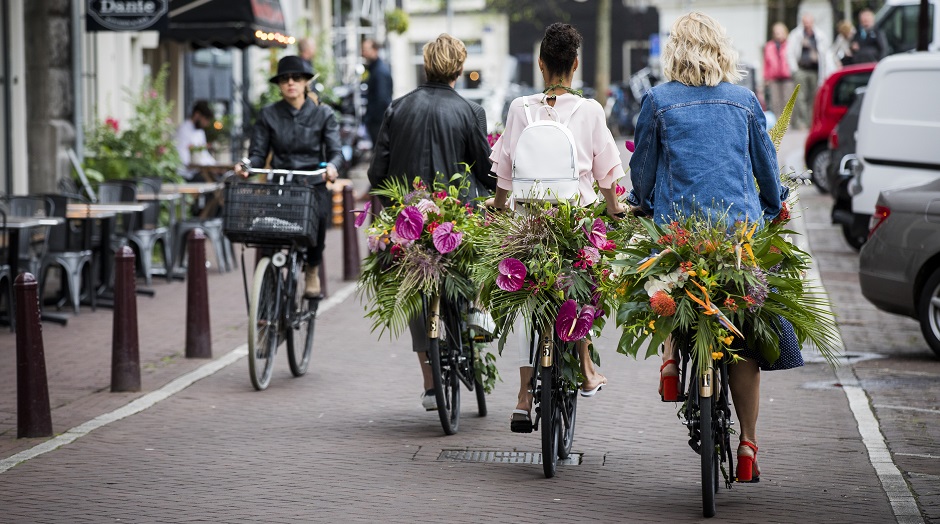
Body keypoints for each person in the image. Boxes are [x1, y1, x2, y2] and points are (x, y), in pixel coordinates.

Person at [630, 11, 801, 484]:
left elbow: (642, 170)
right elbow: (766, 170)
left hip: (680, 231)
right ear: (722, 50)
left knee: (666, 274)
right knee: (743, 334)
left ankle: (669, 359)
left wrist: (641, 203)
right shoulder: (745, 101)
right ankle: (747, 443)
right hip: (737, 238)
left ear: (675, 52)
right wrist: (773, 204)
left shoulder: (658, 100)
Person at [487, 22, 626, 432]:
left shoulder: (519, 108)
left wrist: (497, 211)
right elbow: (608, 180)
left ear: (542, 65)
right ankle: (585, 368)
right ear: (576, 65)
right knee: (584, 283)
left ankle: (523, 395)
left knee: (522, 298)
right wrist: (616, 211)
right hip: (574, 223)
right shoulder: (590, 111)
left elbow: (504, 177)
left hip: (528, 225)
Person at [367, 34, 494, 411]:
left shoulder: (397, 108)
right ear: (459, 67)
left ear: (425, 64)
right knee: (475, 263)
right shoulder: (470, 112)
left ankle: (429, 383)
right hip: (455, 220)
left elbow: (378, 173)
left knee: (415, 292)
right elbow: (487, 174)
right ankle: (476, 313)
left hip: (409, 220)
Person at [235, 55, 343, 298]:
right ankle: (268, 280)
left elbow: (336, 151)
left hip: (311, 183)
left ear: (306, 82)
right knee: (267, 230)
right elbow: (258, 154)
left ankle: (312, 269)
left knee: (320, 219)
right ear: (279, 85)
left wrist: (333, 166)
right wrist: (247, 165)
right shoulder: (268, 114)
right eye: (284, 79)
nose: (290, 83)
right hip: (280, 184)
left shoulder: (323, 114)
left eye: (296, 78)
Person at [786, 13, 830, 129]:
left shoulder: (819, 35)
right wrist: (794, 69)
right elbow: (789, 53)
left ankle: (811, 122)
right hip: (801, 69)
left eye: (809, 22)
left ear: (813, 22)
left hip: (815, 70)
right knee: (800, 96)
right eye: (805, 22)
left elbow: (825, 54)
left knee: (814, 97)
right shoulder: (796, 34)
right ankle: (803, 122)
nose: (807, 24)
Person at [361, 38, 393, 147]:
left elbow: (382, 99)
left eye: (366, 49)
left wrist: (371, 118)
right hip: (377, 121)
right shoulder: (375, 69)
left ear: (375, 50)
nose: (363, 53)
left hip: (378, 121)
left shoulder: (379, 71)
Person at [175, 100, 216, 181]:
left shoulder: (200, 131)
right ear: (197, 115)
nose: (206, 124)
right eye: (206, 119)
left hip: (195, 171)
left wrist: (214, 165)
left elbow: (204, 154)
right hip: (185, 174)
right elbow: (182, 157)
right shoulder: (184, 129)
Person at [763, 22, 793, 118]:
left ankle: (788, 122)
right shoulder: (769, 46)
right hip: (773, 77)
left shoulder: (790, 45)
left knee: (787, 100)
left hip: (787, 76)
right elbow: (766, 63)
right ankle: (777, 121)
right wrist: (766, 78)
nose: (778, 35)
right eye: (776, 32)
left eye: (780, 32)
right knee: (775, 101)